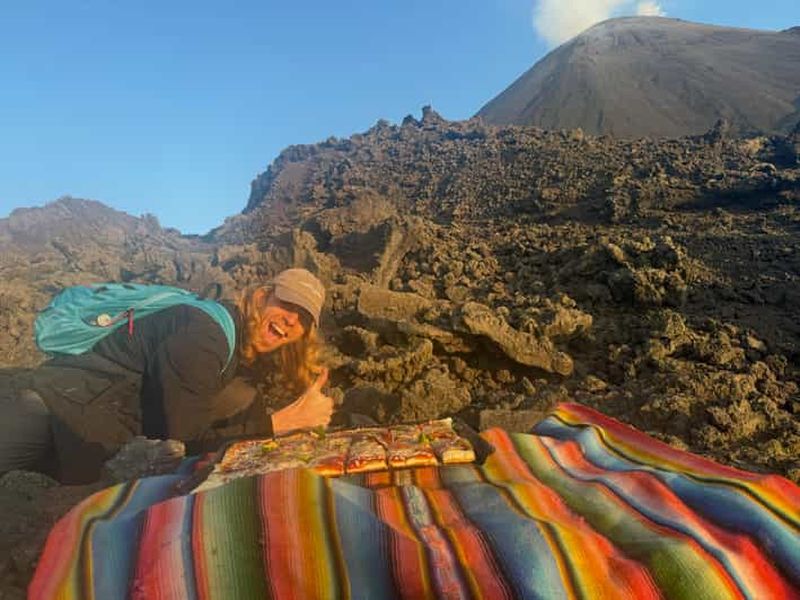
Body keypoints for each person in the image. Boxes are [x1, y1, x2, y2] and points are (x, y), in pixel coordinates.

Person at [0, 268, 335, 483]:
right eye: (286, 305)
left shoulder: (233, 344)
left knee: (243, 398)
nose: (291, 320)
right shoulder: (205, 339)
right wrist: (280, 423)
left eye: (303, 318)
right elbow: (180, 445)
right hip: (52, 410)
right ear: (261, 297)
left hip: (87, 420)